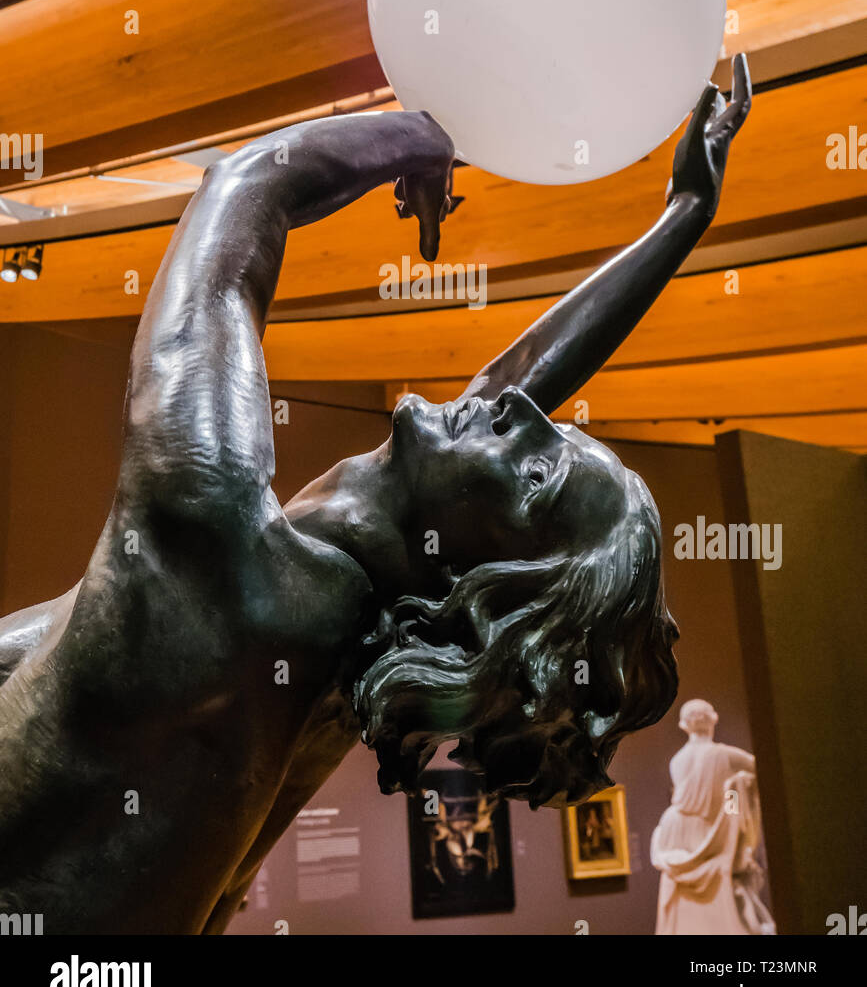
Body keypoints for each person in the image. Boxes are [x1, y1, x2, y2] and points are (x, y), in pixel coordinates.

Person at [0, 57, 751, 934]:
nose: (517, 410)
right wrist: (681, 219)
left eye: (542, 469)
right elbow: (508, 399)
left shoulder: (214, 549)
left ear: (490, 573)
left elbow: (247, 190)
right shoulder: (351, 646)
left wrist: (429, 135)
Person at [650, 698, 776, 934]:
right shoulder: (723, 755)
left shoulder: (677, 760)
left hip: (676, 828)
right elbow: (762, 771)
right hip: (712, 831)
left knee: (689, 910)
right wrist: (734, 802)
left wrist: (732, 800)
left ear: (684, 725)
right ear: (713, 719)